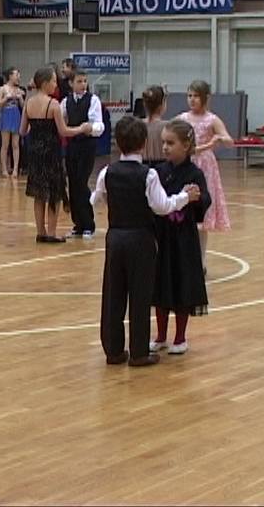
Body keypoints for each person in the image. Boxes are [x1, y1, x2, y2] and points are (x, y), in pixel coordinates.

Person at [90, 115, 200, 367]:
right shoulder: (148, 175)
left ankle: (114, 351)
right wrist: (184, 197)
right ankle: (139, 352)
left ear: (118, 143)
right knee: (140, 295)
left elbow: (96, 199)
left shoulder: (107, 172)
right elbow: (163, 207)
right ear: (143, 144)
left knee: (113, 294)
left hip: (115, 238)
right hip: (141, 238)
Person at [150, 119, 211, 356]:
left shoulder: (195, 174)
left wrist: (196, 198)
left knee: (182, 284)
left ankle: (180, 337)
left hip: (184, 240)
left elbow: (205, 201)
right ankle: (160, 335)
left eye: (170, 143)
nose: (165, 147)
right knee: (161, 285)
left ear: (186, 146)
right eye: (163, 142)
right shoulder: (158, 172)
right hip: (162, 237)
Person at [20, 66, 92, 243]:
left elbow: (22, 131)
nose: (56, 84)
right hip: (51, 152)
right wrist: (81, 128)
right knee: (55, 193)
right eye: (53, 81)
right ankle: (51, 233)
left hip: (35, 152)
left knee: (38, 193)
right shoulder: (53, 104)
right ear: (45, 83)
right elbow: (64, 131)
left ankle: (41, 232)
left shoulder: (29, 103)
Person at [179, 80, 233, 272]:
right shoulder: (183, 118)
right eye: (189, 96)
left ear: (205, 98)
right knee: (182, 210)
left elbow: (229, 140)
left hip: (205, 166)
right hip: (186, 164)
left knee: (202, 215)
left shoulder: (212, 119)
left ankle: (201, 260)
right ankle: (184, 258)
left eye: (196, 96)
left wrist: (221, 138)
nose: (192, 100)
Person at [60, 69, 104, 239]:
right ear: (71, 83)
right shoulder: (66, 101)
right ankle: (77, 224)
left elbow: (99, 125)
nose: (83, 84)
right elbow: (62, 119)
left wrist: (90, 128)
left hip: (87, 145)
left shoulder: (93, 100)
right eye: (79, 81)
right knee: (72, 183)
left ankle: (88, 224)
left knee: (81, 182)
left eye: (85, 81)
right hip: (72, 146)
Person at [0, 67, 25, 178]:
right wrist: (6, 98)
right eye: (16, 75)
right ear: (10, 76)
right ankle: (4, 169)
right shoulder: (3, 89)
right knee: (5, 145)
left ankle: (15, 169)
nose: (18, 77)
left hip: (16, 115)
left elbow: (23, 106)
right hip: (6, 116)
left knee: (16, 144)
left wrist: (20, 98)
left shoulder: (19, 90)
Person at [141, 85, 168, 168]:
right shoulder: (167, 126)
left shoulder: (137, 125)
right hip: (163, 167)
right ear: (162, 105)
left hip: (142, 167)